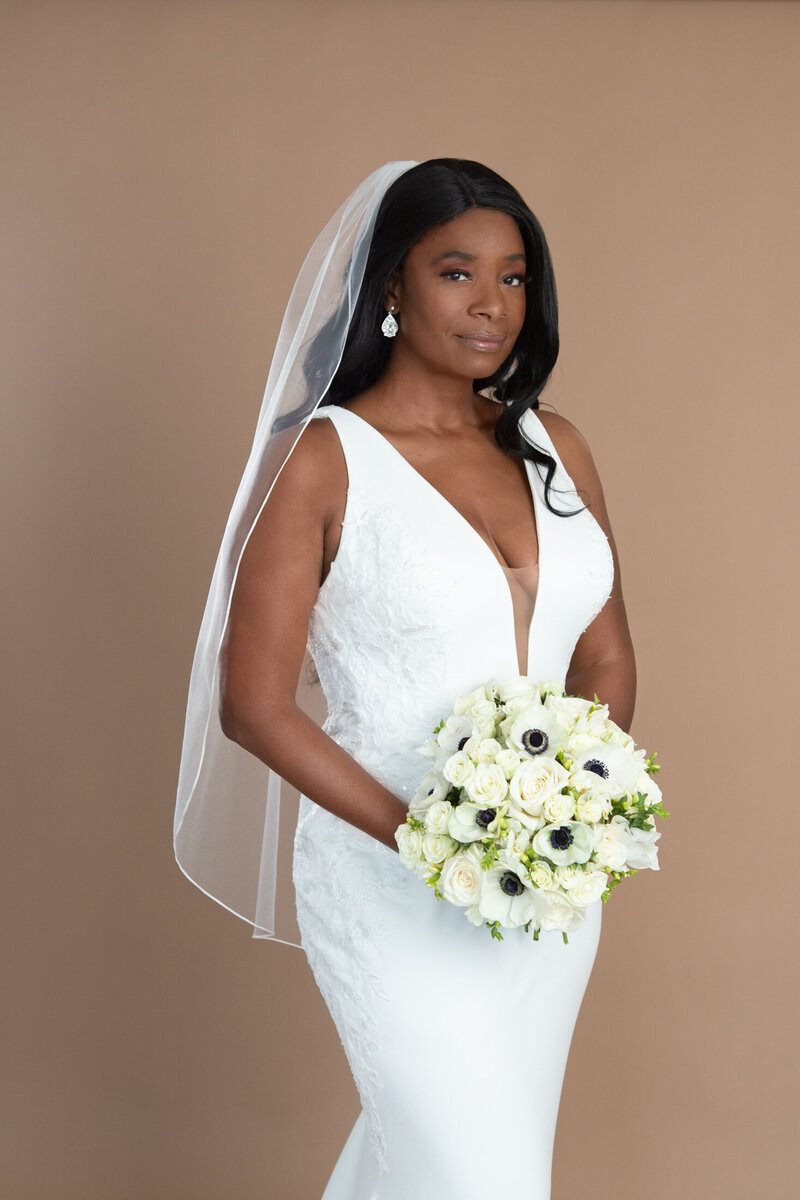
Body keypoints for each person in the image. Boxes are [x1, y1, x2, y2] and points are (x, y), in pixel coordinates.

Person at [176, 158, 635, 1198]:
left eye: (514, 278)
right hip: (389, 879)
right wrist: (438, 841)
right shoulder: (320, 458)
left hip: (548, 888)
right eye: (455, 272)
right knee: (482, 1177)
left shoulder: (553, 447)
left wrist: (568, 811)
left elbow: (604, 658)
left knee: (439, 1168)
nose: (490, 305)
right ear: (391, 287)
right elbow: (250, 704)